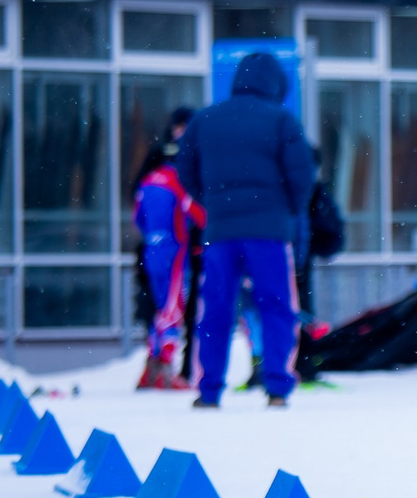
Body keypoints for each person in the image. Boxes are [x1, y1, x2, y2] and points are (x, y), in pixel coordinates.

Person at [175, 52, 315, 408]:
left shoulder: (205, 119)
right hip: (269, 233)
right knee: (277, 307)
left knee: (217, 309)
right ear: (275, 85)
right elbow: (302, 177)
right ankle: (277, 387)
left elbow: (185, 169)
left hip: (220, 233)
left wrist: (213, 203)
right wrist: (287, 212)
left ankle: (209, 389)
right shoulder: (282, 121)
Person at [131, 115, 203, 390]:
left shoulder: (148, 181)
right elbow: (196, 214)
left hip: (151, 250)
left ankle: (153, 363)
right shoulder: (178, 182)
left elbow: (138, 217)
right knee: (172, 310)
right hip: (175, 252)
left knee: (159, 306)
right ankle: (167, 370)